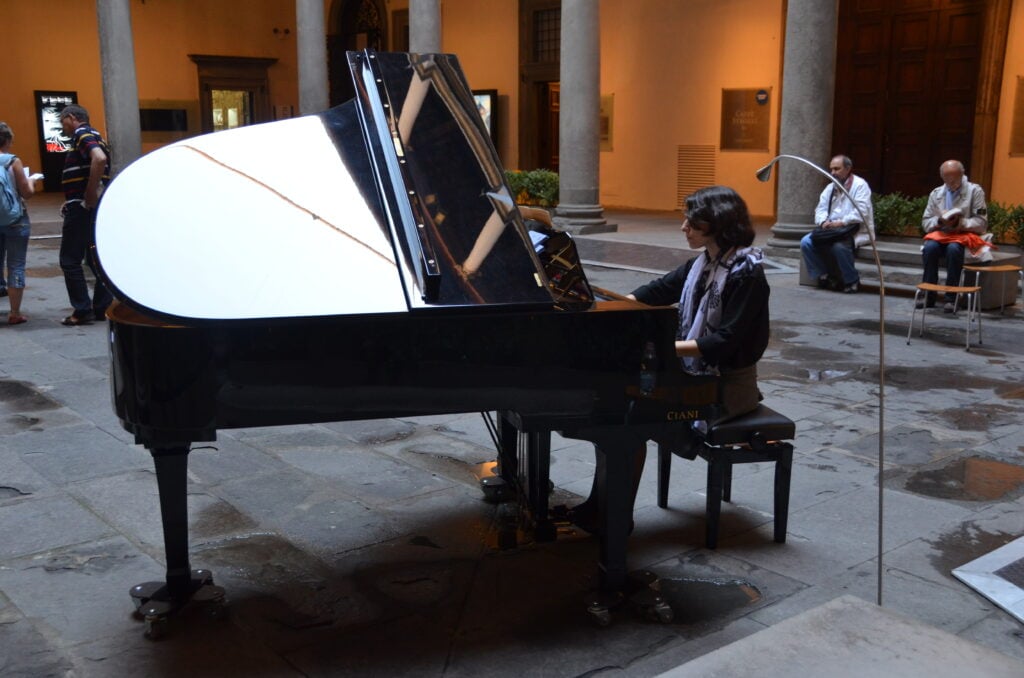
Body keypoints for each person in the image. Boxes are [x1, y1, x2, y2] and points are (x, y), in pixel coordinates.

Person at [562, 186, 771, 534]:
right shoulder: (705, 262)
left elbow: (724, 341)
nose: (683, 226)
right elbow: (658, 289)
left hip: (727, 387)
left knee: (631, 420)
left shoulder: (746, 273)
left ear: (716, 225)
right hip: (701, 375)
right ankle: (600, 509)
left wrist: (666, 347)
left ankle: (615, 520)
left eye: (692, 220)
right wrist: (613, 308)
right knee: (617, 412)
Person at [58, 104, 112, 326]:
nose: (63, 128)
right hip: (84, 205)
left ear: (71, 118)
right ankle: (101, 307)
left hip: (83, 208)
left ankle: (81, 310)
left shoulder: (82, 133)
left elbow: (98, 159)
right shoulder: (95, 135)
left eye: (63, 122)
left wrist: (88, 194)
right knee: (94, 258)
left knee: (69, 260)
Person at [919, 159, 988, 313]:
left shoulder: (975, 191)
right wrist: (938, 221)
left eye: (955, 178)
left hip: (962, 236)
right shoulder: (936, 193)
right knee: (929, 248)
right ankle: (928, 295)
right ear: (942, 177)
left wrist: (959, 223)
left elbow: (981, 223)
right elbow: (926, 222)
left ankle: (952, 298)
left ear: (962, 175)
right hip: (941, 234)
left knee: (953, 249)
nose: (951, 182)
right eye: (947, 178)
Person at [799, 155, 874, 294]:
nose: (832, 172)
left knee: (839, 247)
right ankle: (824, 276)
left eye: (836, 169)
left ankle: (852, 281)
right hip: (832, 230)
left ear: (848, 169)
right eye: (831, 169)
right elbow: (820, 209)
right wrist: (823, 222)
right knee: (806, 242)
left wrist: (841, 222)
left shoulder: (860, 185)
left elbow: (861, 212)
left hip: (854, 230)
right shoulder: (830, 187)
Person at [0, 122, 36, 325]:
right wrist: (32, 181)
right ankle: (14, 312)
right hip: (16, 220)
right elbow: (27, 193)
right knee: (16, 265)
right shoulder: (13, 161)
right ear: (8, 141)